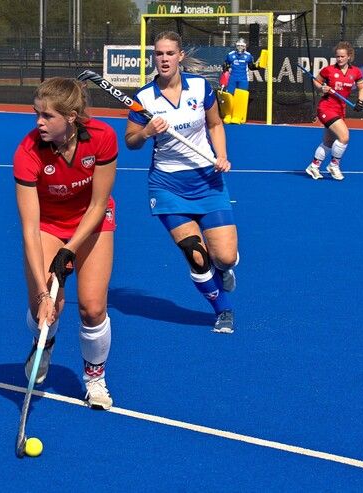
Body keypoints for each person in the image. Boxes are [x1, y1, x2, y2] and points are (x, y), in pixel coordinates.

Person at [13, 77, 118, 410]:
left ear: (72, 116)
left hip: (92, 222)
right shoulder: (27, 151)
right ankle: (44, 344)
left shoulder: (102, 138)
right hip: (47, 224)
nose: (39, 123)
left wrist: (69, 249)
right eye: (37, 114)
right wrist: (44, 294)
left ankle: (95, 379)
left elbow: (98, 204)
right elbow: (30, 228)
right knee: (47, 310)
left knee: (92, 307)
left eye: (48, 116)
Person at [125, 31, 239, 334]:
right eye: (159, 54)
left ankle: (225, 268)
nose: (164, 59)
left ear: (180, 57)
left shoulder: (201, 87)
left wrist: (222, 155)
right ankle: (223, 309)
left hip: (207, 179)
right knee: (196, 254)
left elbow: (215, 124)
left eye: (169, 53)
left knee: (224, 257)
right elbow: (131, 141)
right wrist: (147, 131)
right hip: (167, 186)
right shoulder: (144, 99)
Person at [305, 41, 363, 181]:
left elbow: (362, 88)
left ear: (349, 56)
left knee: (328, 141)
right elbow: (317, 81)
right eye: (337, 56)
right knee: (344, 137)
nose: (339, 59)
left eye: (342, 56)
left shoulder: (355, 72)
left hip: (340, 110)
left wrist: (360, 101)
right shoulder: (329, 70)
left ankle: (313, 166)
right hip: (326, 107)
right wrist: (322, 88)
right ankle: (334, 165)